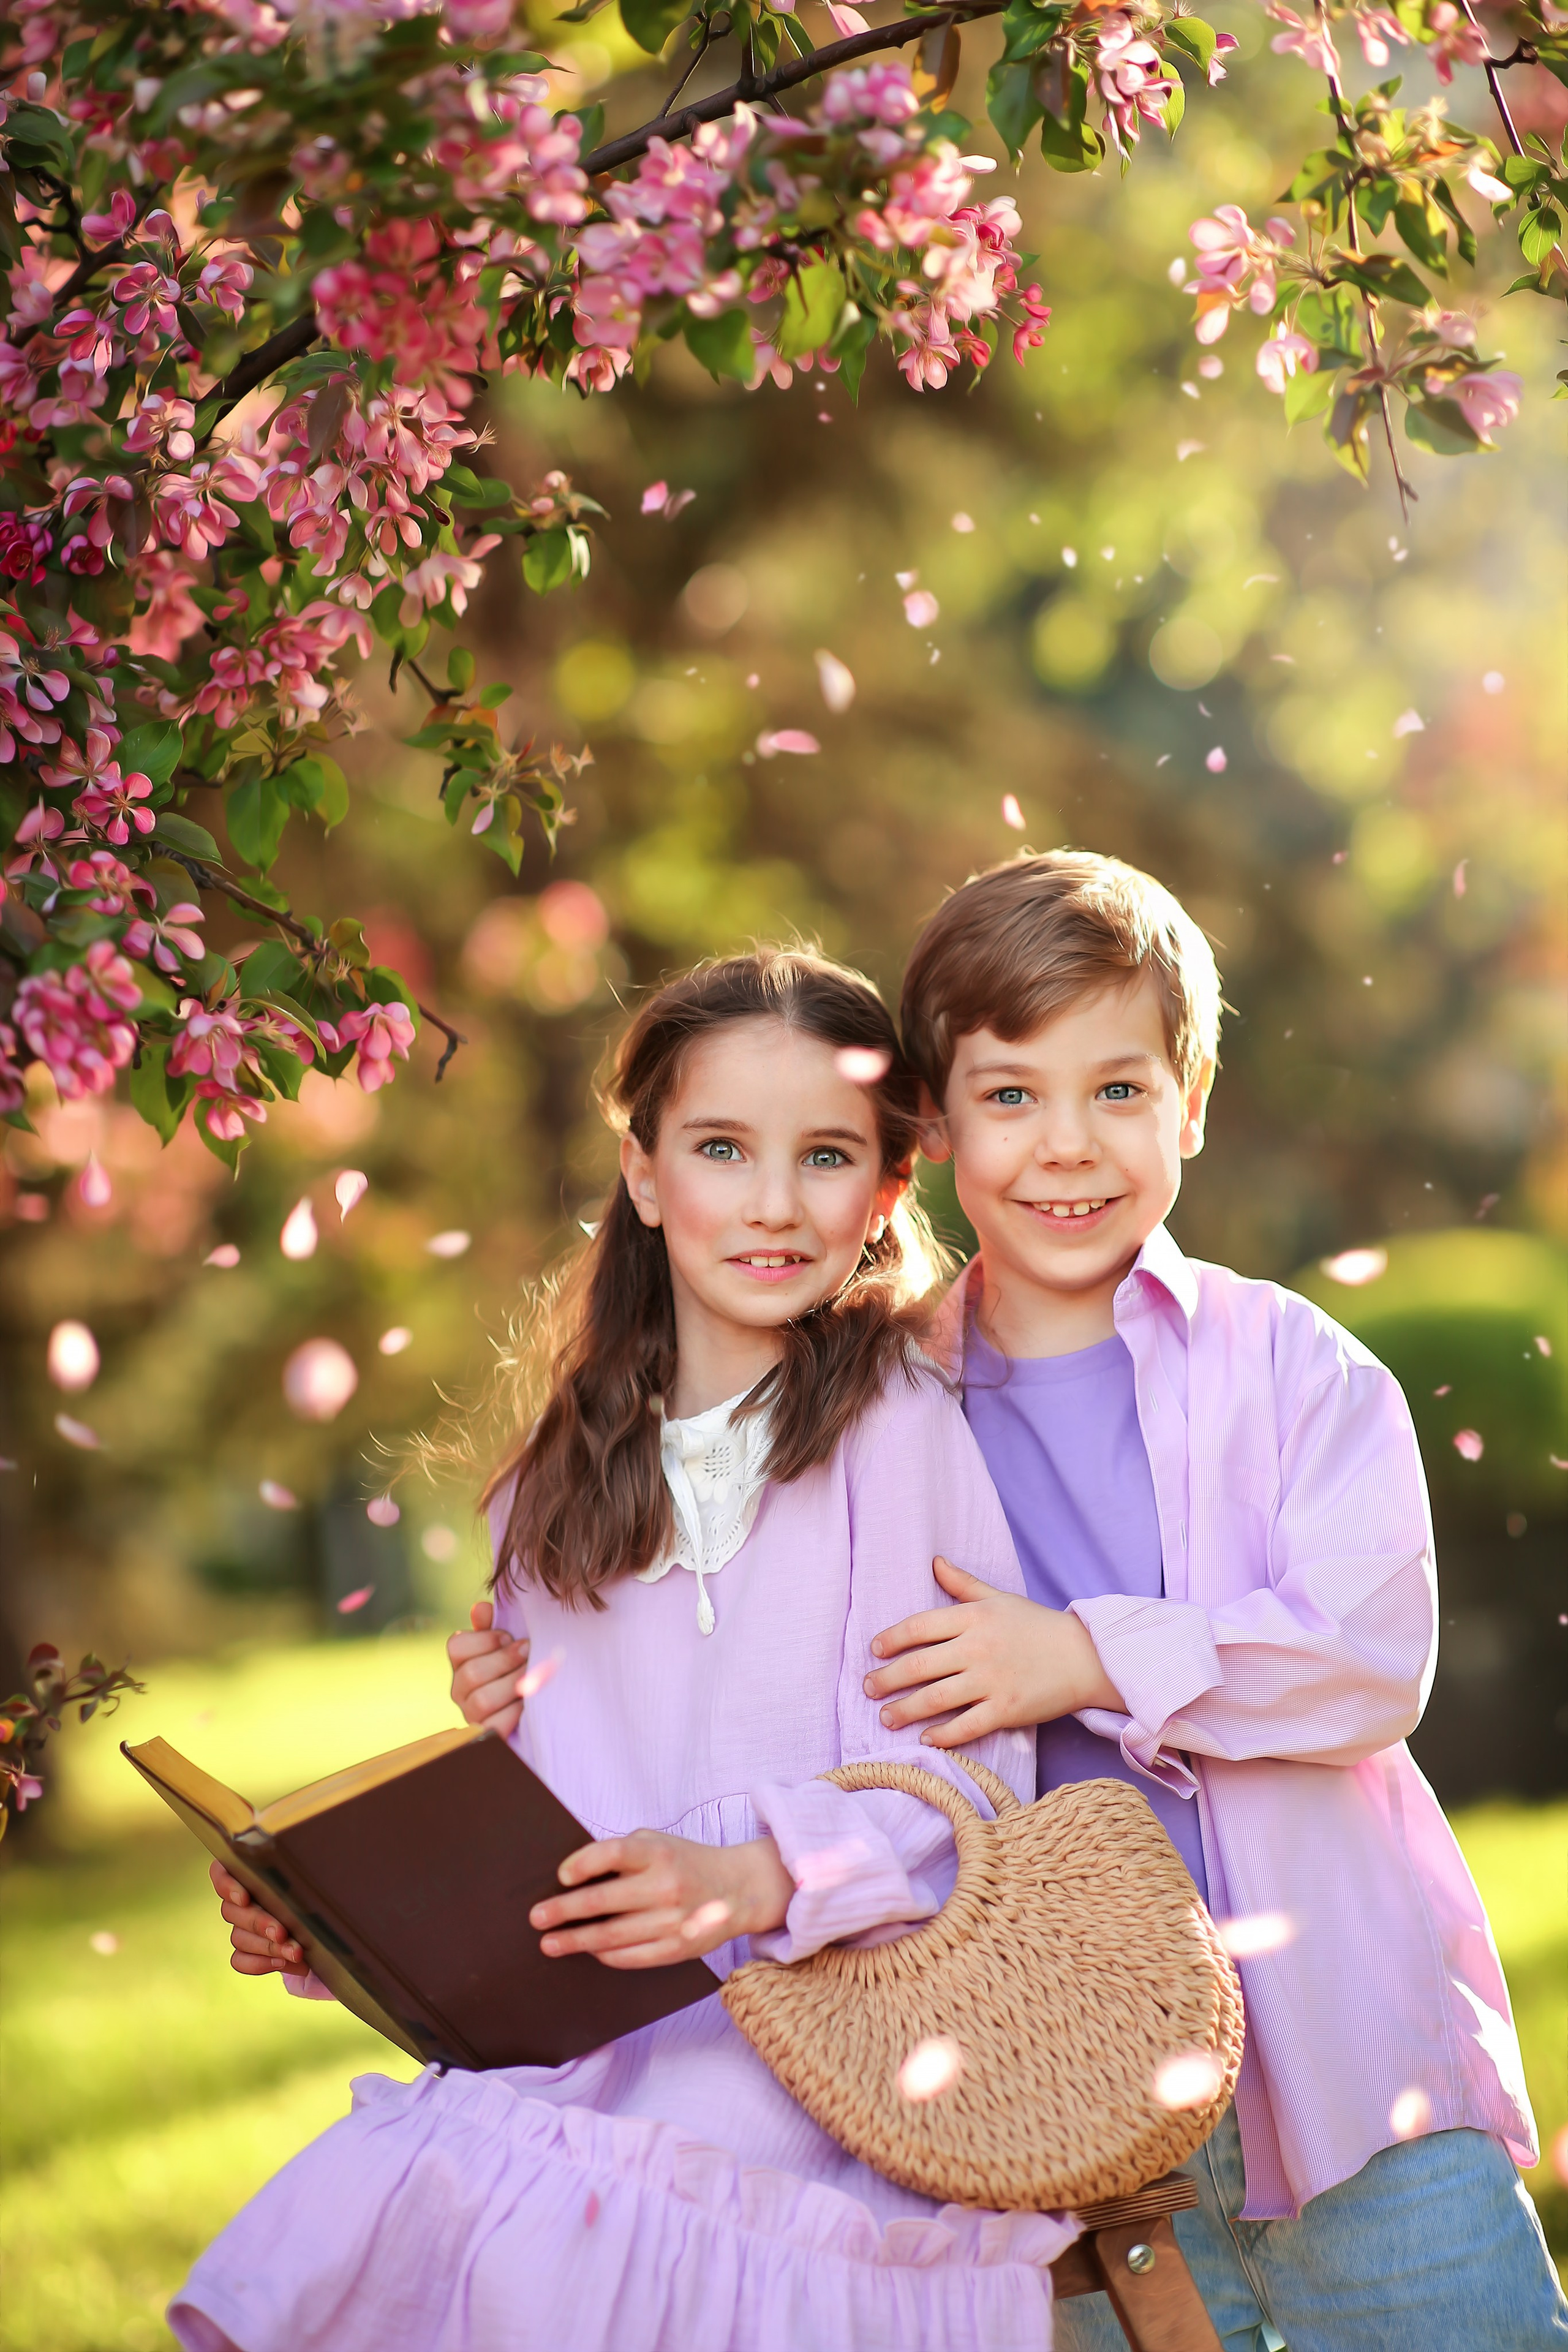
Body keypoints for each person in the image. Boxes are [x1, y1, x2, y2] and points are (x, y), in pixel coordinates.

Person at [173, 948, 1078, 2352]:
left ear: (889, 1190)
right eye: (721, 1148)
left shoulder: (896, 1433)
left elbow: (967, 1794)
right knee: (440, 2198)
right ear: (646, 1175)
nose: (773, 1202)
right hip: (581, 2069)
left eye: (826, 1155)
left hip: (820, 2084)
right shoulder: (542, 1498)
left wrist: (755, 1873)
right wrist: (335, 1931)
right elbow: (541, 1868)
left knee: (549, 2229)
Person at [861, 850, 1567, 2352]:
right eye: (1009, 1095)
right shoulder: (874, 1407)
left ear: (1188, 1103)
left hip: (1353, 2090)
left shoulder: (1294, 1367)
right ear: (930, 1125)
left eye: (1117, 1091)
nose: (1066, 1144)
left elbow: (1366, 1661)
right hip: (1057, 2122)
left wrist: (1079, 1656)